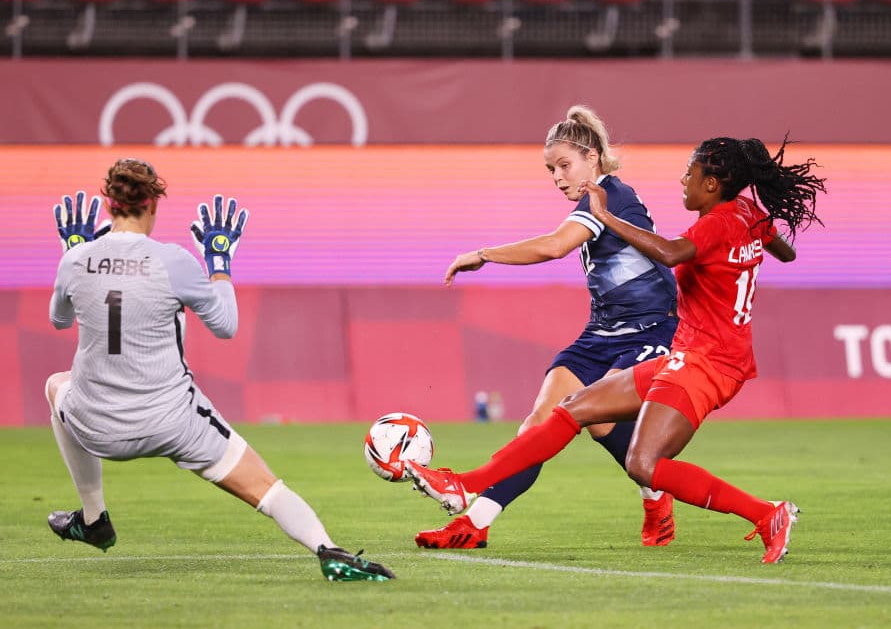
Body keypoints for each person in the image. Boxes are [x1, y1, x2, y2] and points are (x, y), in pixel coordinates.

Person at [406, 136, 826, 564]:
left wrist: (604, 216)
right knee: (575, 408)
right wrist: (754, 246)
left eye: (690, 173)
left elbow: (669, 252)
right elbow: (785, 253)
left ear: (713, 184)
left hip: (702, 360)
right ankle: (463, 485)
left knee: (644, 463)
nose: (683, 179)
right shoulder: (746, 213)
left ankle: (766, 513)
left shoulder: (698, 218)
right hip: (683, 351)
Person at [44, 159, 394, 582]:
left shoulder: (77, 259)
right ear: (153, 204)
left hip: (98, 426)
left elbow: (60, 321)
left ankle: (94, 517)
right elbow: (225, 327)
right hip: (174, 422)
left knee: (56, 385)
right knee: (266, 488)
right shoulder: (173, 261)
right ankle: (329, 551)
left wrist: (74, 253)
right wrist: (219, 263)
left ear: (107, 204)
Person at [414, 105, 680, 550]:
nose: (557, 177)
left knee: (593, 411)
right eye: (550, 169)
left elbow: (556, 246)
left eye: (564, 165)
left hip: (651, 330)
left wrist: (484, 253)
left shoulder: (612, 195)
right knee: (540, 421)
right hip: (601, 332)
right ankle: (473, 524)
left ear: (592, 157)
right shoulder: (592, 203)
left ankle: (655, 492)